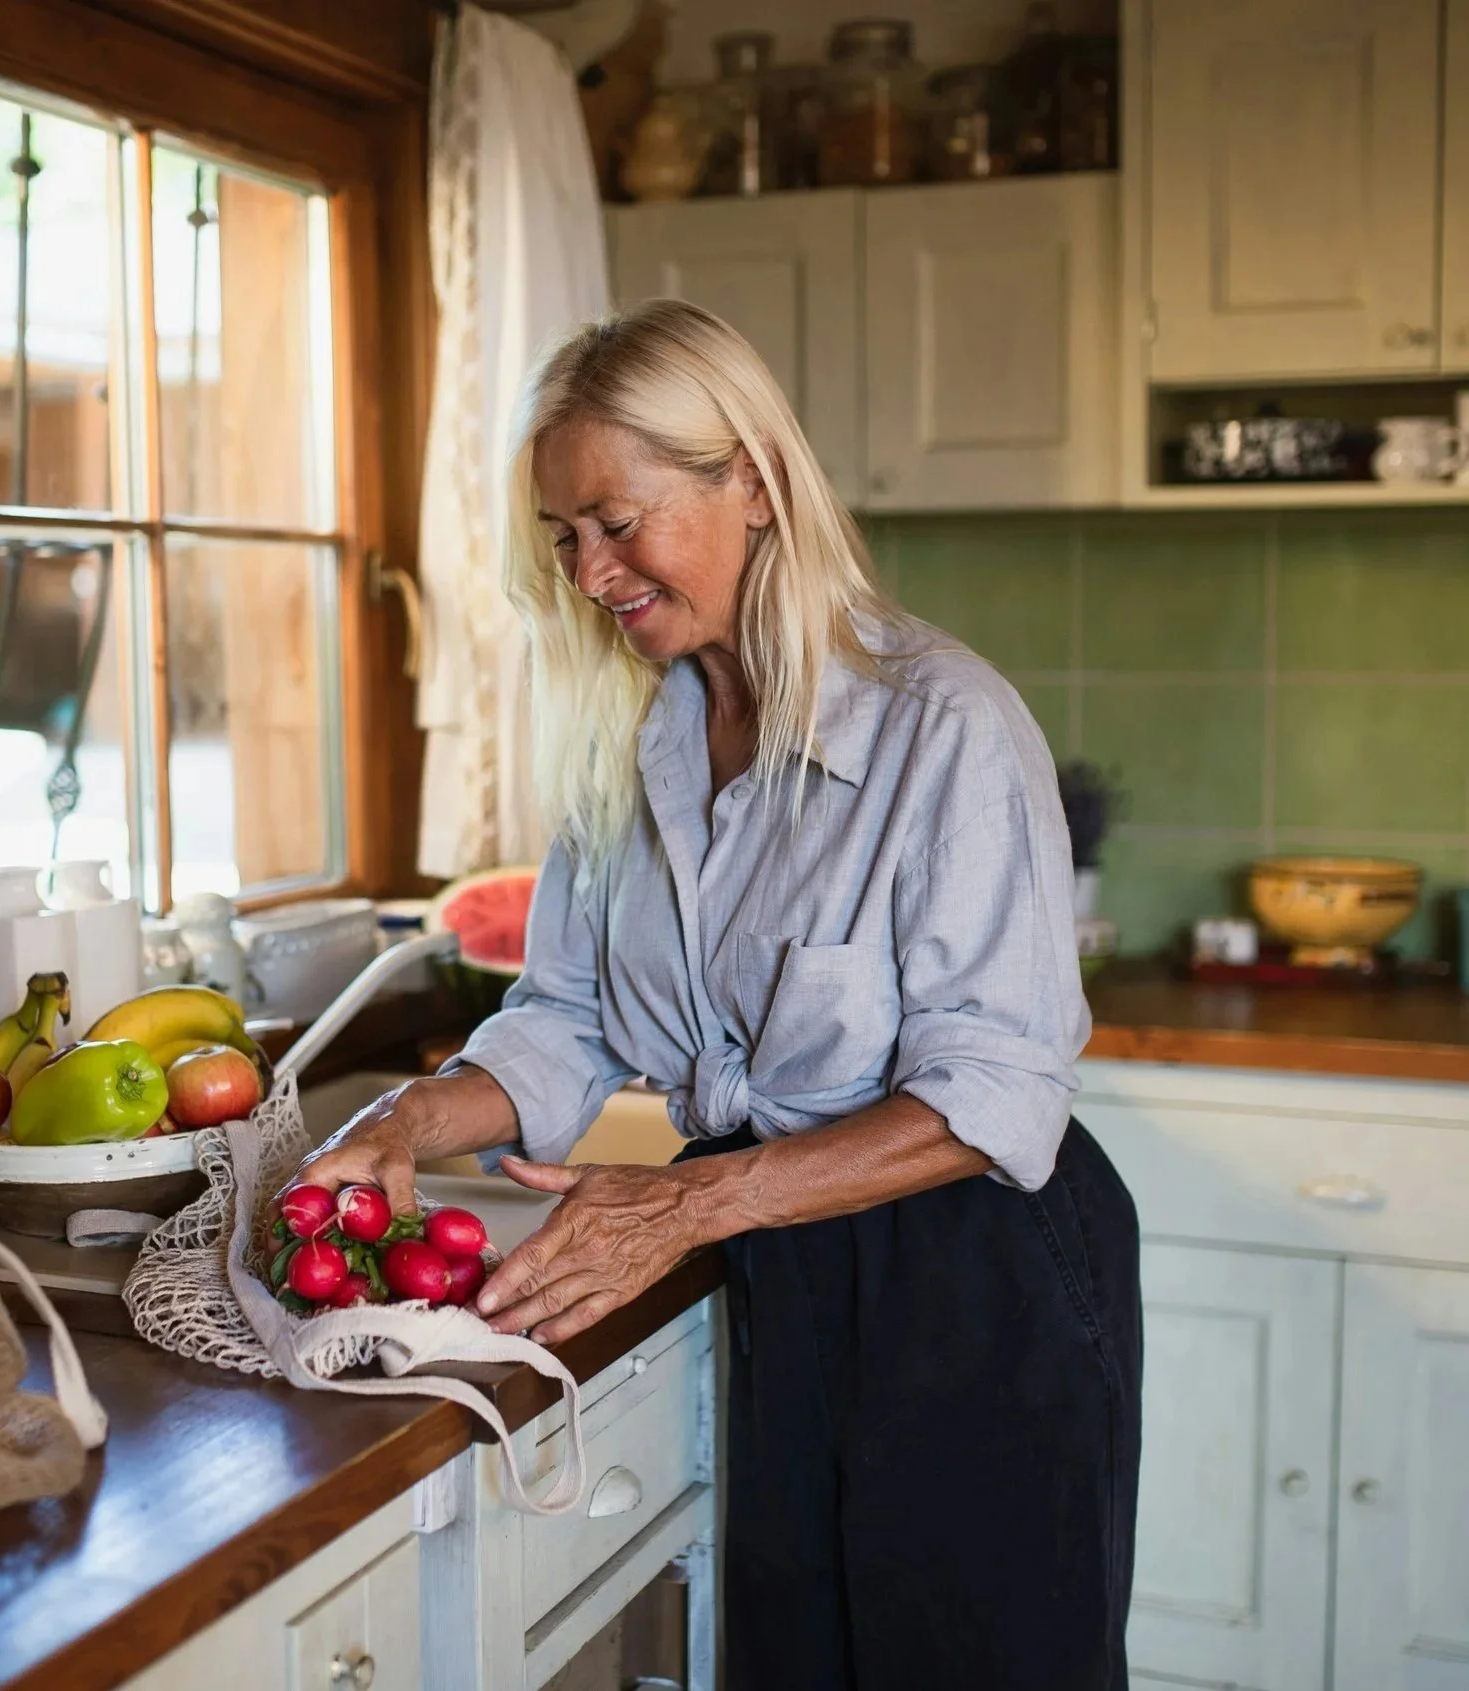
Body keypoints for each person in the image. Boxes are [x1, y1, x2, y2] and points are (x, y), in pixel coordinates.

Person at [292, 299, 1141, 1690]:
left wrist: (682, 1201)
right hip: (778, 1258)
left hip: (978, 1283)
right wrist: (408, 1118)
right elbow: (567, 1019)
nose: (589, 569)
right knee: (793, 1657)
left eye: (616, 520)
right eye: (562, 536)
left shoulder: (945, 726)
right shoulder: (631, 740)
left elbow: (995, 1095)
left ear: (746, 477)